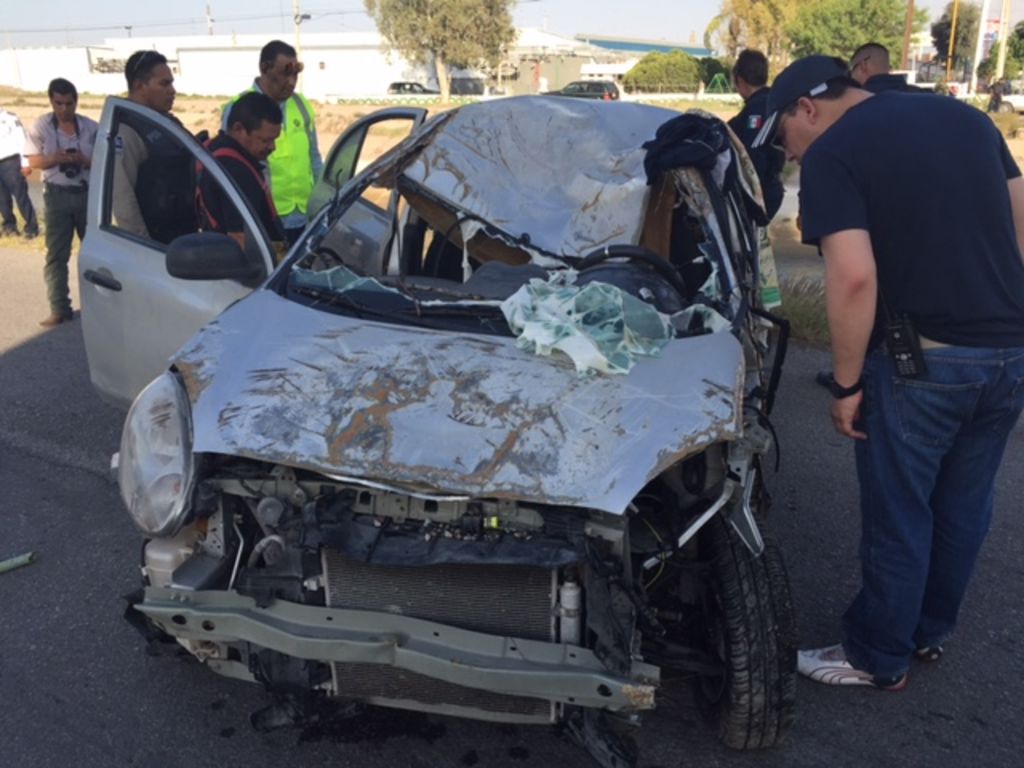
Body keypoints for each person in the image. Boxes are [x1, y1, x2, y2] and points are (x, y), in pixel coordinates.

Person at [753, 55, 1024, 690]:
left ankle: (877, 655)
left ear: (808, 108)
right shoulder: (966, 119)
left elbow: (853, 278)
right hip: (1009, 351)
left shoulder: (834, 153)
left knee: (900, 511)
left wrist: (846, 384)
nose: (789, 157)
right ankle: (926, 631)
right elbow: (1020, 224)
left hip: (922, 362)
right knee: (963, 504)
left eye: (785, 139)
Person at [223, 40, 322, 245]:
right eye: (285, 73)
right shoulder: (239, 109)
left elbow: (314, 156)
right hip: (264, 219)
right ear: (264, 68)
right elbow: (231, 167)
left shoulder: (301, 105)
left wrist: (321, 200)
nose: (292, 82)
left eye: (296, 74)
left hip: (304, 216)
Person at [24, 78, 98, 327]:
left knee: (93, 255)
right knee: (56, 255)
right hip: (57, 196)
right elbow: (33, 162)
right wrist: (55, 158)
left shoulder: (90, 127)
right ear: (51, 102)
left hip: (86, 194)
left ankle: (98, 307)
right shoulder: (41, 126)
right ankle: (59, 307)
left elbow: (105, 161)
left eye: (68, 103)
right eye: (58, 103)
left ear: (76, 102)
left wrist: (83, 160)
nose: (64, 109)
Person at [112, 49, 199, 243]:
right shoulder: (126, 131)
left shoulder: (167, 123)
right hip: (156, 246)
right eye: (164, 84)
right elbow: (122, 199)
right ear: (139, 86)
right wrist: (144, 249)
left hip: (183, 239)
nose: (172, 91)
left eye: (171, 83)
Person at [198, 91, 285, 251]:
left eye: (274, 140)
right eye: (265, 140)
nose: (273, 147)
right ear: (239, 129)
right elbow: (240, 240)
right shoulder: (237, 172)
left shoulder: (212, 150)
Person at [728, 49, 785, 221]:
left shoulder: (757, 109)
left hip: (761, 192)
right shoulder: (771, 100)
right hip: (771, 187)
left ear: (739, 80)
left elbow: (753, 153)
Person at [0, 106, 39, 239]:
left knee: (20, 196)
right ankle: (9, 227)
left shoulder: (10, 118)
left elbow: (22, 140)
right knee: (2, 198)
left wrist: (25, 163)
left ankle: (31, 228)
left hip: (10, 162)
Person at [849, 42, 928, 94]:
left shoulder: (857, 101)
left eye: (852, 70)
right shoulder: (925, 95)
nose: (851, 76)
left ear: (863, 65)